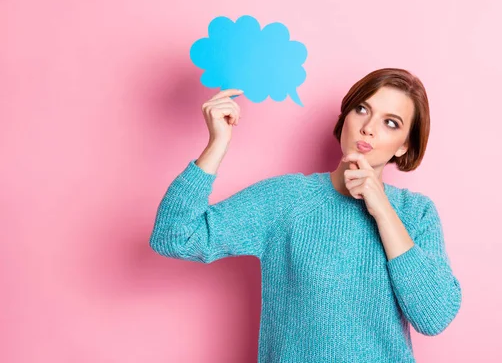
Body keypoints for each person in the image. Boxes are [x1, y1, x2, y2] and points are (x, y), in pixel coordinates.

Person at [150, 68, 462, 362]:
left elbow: (434, 316)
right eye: (362, 109)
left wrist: (382, 211)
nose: (368, 127)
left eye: (390, 123)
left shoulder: (416, 213)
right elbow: (175, 236)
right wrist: (217, 144)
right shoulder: (286, 199)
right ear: (346, 117)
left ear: (403, 146)